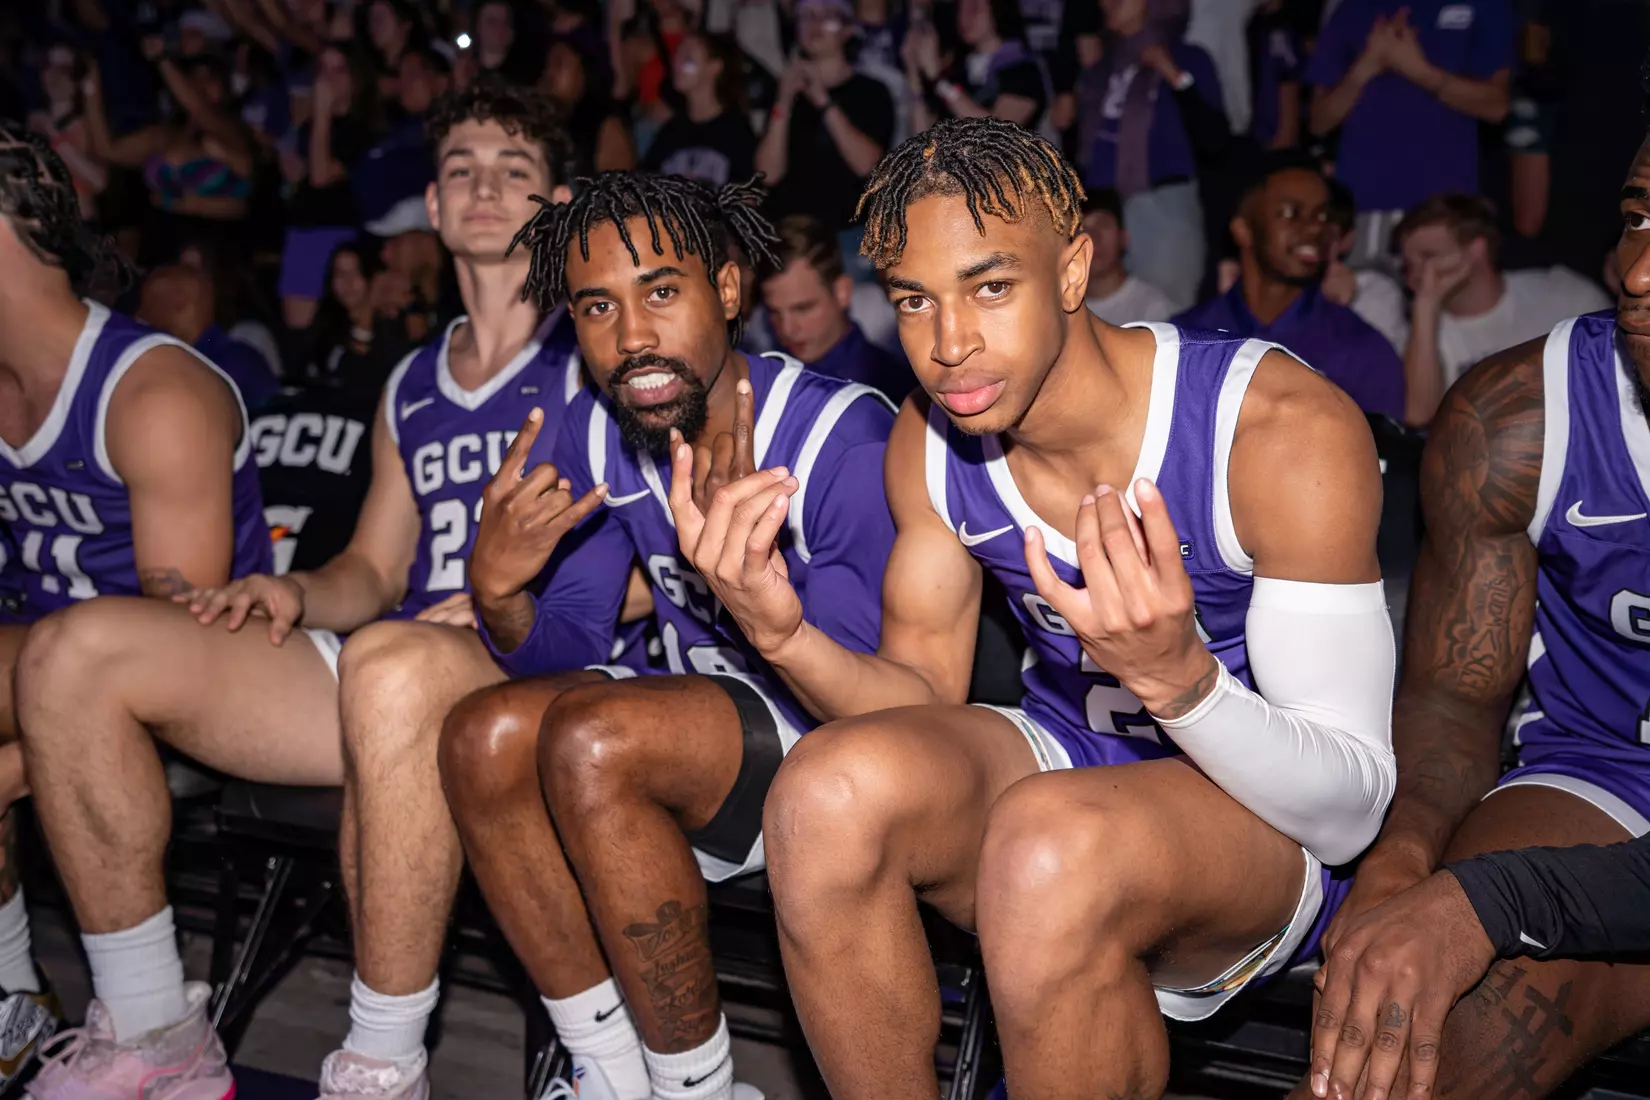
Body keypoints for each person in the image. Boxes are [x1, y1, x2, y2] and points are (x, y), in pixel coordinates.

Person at [729, 116, 1395, 1099]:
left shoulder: (1274, 429)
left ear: (1073, 271)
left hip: (1261, 818)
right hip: (1062, 771)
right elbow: (914, 701)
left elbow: (1350, 808)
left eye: (990, 287)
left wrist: (1180, 680)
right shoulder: (930, 439)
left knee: (1049, 842)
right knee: (823, 792)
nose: (949, 344)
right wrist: (781, 630)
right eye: (914, 300)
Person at [10, 84, 589, 1100]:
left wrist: (509, 596)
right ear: (434, 206)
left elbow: (642, 554)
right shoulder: (413, 379)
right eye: (460, 170)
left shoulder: (596, 356)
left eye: (513, 171)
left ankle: (380, 1062)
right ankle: (156, 1026)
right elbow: (370, 569)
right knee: (79, 647)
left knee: (396, 664)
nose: (483, 187)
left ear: (560, 205)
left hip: (535, 665)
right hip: (390, 663)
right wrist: (289, 591)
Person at [436, 170, 897, 1100]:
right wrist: (498, 592)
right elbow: (568, 642)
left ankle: (697, 1090)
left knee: (595, 738)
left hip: (843, 764)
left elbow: (872, 711)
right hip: (696, 748)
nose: (631, 336)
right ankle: (609, 1074)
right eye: (596, 306)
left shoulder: (839, 440)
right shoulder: (598, 428)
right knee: (482, 733)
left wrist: (765, 606)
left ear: (727, 292)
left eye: (661, 293)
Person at [1291, 125, 1650, 1100]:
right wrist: (1406, 860)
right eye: (1635, 218)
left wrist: (1492, 897)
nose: (1637, 270)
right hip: (1607, 776)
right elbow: (1454, 706)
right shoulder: (1516, 418)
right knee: (1394, 1048)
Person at [0, 122, 272, 1090]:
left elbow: (178, 627)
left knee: (66, 654)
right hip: (40, 668)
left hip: (187, 678)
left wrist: (28, 746)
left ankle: (143, 1027)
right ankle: (11, 1006)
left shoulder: (152, 389)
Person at [1311, 830, 1650, 1100]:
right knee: (1378, 1059)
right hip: (1595, 774)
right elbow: (1447, 746)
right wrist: (1397, 856)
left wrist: (1492, 899)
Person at [1174, 156, 1405, 421]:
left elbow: (1379, 457)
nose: (1313, 228)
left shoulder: (1362, 351)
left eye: (1323, 216)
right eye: (1290, 213)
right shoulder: (1186, 342)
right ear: (1243, 230)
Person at [1306, 0, 1515, 269]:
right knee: (1362, 302)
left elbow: (1497, 106)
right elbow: (1319, 121)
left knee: (1441, 304)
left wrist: (1418, 70)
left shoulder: (1484, 6)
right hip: (1363, 203)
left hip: (1446, 207)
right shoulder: (1353, 9)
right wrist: (1366, 65)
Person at [1395, 193, 1608, 426]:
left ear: (1476, 249)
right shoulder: (1421, 331)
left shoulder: (1563, 294)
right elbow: (1419, 416)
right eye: (1408, 265)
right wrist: (1426, 304)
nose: (1416, 276)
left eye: (1429, 257)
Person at [1070, 0, 1229, 312]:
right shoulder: (1101, 70)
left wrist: (1175, 76)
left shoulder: (1186, 58)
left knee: (1167, 322)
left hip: (1162, 208)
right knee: (1102, 323)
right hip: (1104, 213)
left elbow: (1215, 140)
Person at [757, 0, 894, 235]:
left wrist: (823, 100)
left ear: (848, 29)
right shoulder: (785, 92)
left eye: (828, 15)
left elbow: (868, 165)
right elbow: (767, 174)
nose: (815, 23)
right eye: (806, 15)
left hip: (851, 232)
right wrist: (783, 103)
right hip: (794, 231)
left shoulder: (871, 91)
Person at [759, 214, 914, 403]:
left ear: (842, 292)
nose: (787, 329)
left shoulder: (893, 391)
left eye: (803, 308)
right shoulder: (763, 380)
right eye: (774, 312)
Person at [135, 264, 282, 412]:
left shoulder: (231, 365)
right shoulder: (240, 359)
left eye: (148, 303)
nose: (138, 315)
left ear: (179, 303)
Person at [904, 0, 1049, 132]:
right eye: (961, 9)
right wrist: (914, 73)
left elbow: (996, 132)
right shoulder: (957, 69)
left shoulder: (1023, 70)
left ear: (997, 10)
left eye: (975, 8)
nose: (965, 17)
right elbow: (922, 137)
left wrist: (939, 80)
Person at [642, 32, 758, 189]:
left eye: (688, 59)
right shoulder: (670, 131)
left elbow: (747, 197)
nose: (677, 63)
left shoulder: (736, 131)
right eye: (677, 55)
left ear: (714, 67)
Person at [1321, 176, 1408, 355]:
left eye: (1323, 234)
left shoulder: (1374, 292)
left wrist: (1340, 309)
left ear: (1346, 239)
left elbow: (1381, 374)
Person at [1080, 188, 1176, 324]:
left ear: (1123, 237)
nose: (1093, 238)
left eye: (1102, 225)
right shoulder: (1058, 309)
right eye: (1082, 229)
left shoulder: (1155, 310)